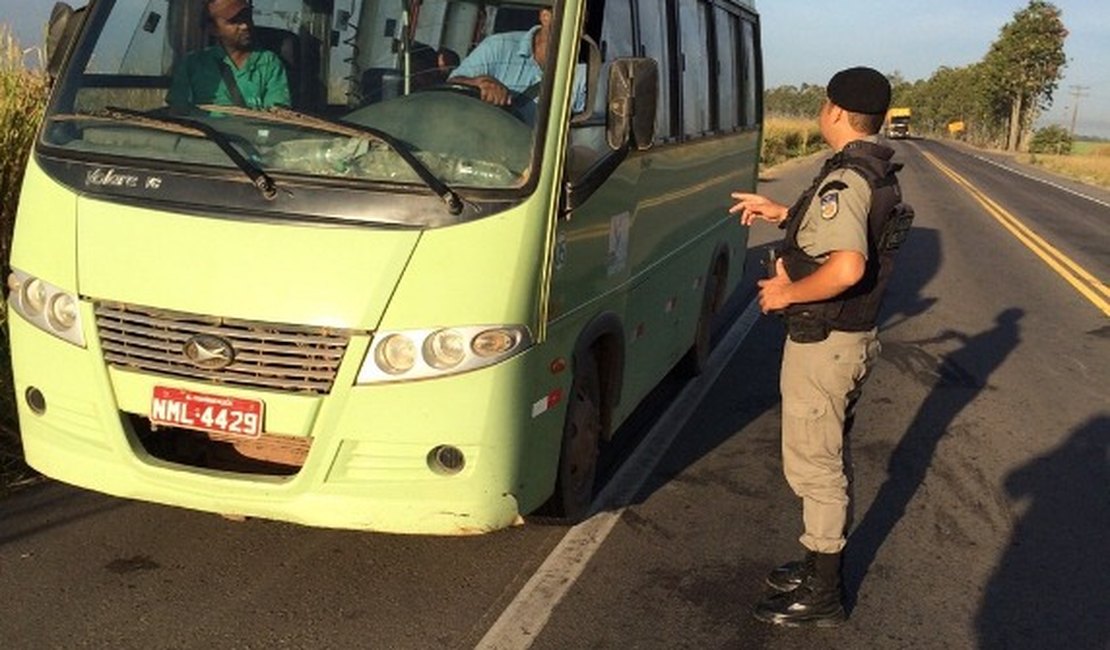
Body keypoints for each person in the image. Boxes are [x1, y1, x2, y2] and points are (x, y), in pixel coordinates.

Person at [728, 66, 912, 627]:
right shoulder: (868, 172)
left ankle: (824, 590)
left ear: (833, 110)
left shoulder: (846, 180)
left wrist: (788, 294)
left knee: (816, 464)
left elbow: (848, 264)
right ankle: (815, 562)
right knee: (822, 455)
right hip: (844, 338)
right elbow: (852, 234)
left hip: (827, 340)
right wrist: (783, 213)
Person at [447, 7, 585, 118]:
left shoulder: (582, 72)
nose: (574, 24)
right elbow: (452, 85)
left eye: (581, 17)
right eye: (569, 13)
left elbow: (584, 136)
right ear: (545, 15)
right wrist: (480, 84)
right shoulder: (498, 46)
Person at [167, 0, 290, 112]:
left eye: (246, 18)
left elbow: (277, 116)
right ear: (213, 29)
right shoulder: (193, 64)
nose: (245, 26)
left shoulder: (269, 63)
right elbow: (177, 112)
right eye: (234, 21)